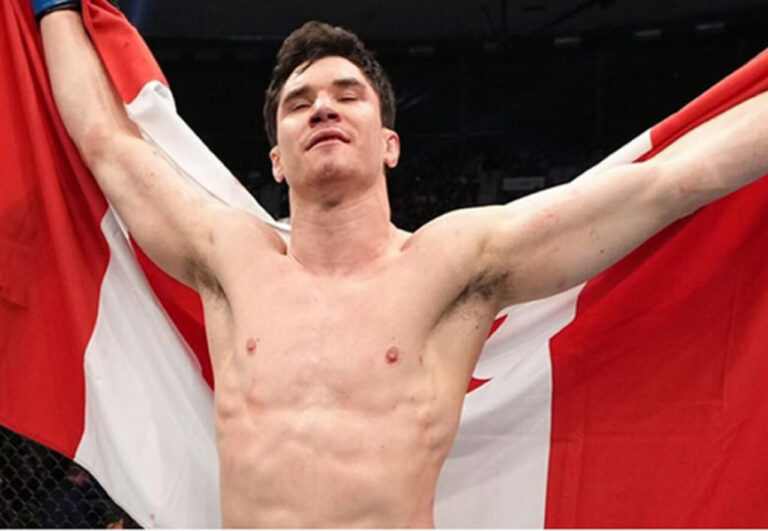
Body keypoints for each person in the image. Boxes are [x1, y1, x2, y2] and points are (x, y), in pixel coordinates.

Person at [32, 0, 768, 527]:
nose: (323, 108)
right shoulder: (231, 256)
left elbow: (668, 181)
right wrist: (53, 7)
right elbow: (106, 143)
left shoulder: (455, 261)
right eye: (299, 103)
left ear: (389, 143)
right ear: (277, 160)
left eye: (347, 95)